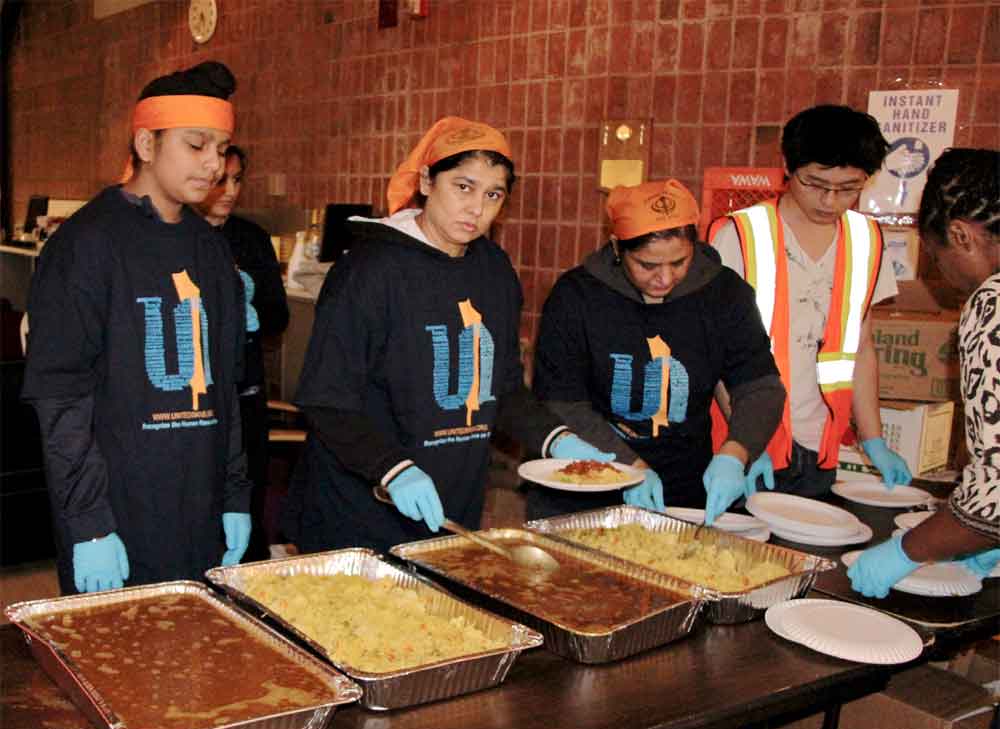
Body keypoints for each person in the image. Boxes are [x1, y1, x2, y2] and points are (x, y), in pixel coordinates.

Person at [282, 116, 612, 554]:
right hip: (358, 510)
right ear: (426, 181)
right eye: (463, 186)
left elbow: (504, 389)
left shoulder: (494, 271)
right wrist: (394, 469)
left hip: (451, 505)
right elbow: (327, 399)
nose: (477, 208)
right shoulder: (370, 270)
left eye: (493, 194)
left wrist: (558, 440)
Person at [22, 61, 251, 594]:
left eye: (220, 149)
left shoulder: (212, 250)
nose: (213, 165)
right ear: (146, 144)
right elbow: (61, 399)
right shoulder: (85, 246)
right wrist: (88, 522)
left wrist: (235, 495)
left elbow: (227, 392)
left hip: (200, 503)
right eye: (196, 146)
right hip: (117, 506)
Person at [528, 179, 786, 524]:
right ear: (618, 248)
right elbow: (562, 401)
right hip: (588, 474)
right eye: (647, 266)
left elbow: (759, 386)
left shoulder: (724, 294)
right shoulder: (577, 297)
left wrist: (736, 452)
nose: (664, 278)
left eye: (679, 262)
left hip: (685, 482)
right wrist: (628, 465)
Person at [710, 105, 912, 499]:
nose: (830, 201)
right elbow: (716, 351)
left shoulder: (867, 239)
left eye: (848, 188)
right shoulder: (739, 235)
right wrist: (746, 442)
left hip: (820, 447)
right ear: (787, 166)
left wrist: (874, 440)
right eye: (816, 183)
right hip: (741, 445)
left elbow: (862, 347)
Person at [847, 148, 1000, 598]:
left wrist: (905, 551)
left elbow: (995, 491)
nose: (941, 275)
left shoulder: (992, 306)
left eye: (935, 256)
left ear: (960, 236)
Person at [196, 145, 289, 562]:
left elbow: (278, 316)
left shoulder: (250, 238)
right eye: (221, 180)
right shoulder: (185, 235)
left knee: (248, 482)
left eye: (237, 180)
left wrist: (249, 311)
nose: (230, 190)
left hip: (245, 386)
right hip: (196, 388)